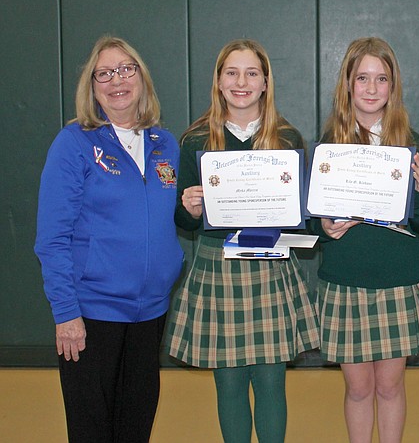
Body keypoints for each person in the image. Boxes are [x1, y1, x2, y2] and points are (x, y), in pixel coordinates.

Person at [165, 39, 319, 443]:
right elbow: (183, 218)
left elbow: (301, 221)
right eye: (231, 72)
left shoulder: (287, 139)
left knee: (271, 381)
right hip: (217, 265)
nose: (241, 82)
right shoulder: (196, 141)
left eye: (252, 73)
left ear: (266, 83)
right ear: (218, 82)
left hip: (269, 265)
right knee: (229, 383)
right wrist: (190, 208)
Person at [34, 36, 184, 442]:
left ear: (141, 78)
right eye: (105, 73)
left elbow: (168, 216)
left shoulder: (165, 144)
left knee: (135, 426)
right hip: (91, 315)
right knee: (92, 431)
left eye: (126, 69)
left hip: (150, 313)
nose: (117, 79)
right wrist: (66, 314)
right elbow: (52, 239)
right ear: (93, 86)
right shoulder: (74, 144)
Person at [311, 37, 419, 443]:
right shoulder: (329, 144)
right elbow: (315, 218)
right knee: (359, 388)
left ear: (393, 85)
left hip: (396, 280)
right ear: (347, 83)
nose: (371, 89)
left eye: (381, 79)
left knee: (389, 387)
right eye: (362, 78)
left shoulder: (411, 143)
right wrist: (325, 228)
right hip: (345, 279)